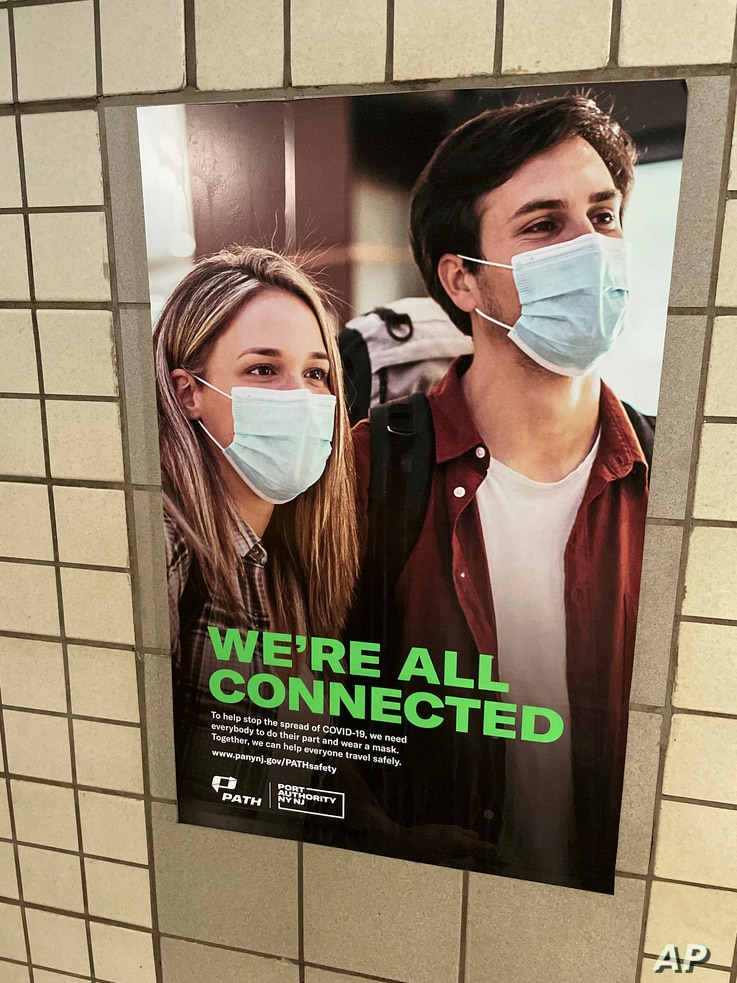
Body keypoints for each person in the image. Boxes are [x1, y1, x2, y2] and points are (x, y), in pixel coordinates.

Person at [347, 96, 650, 892]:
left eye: (603, 216)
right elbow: (280, 704)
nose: (590, 248)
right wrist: (372, 831)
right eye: (543, 225)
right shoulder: (368, 472)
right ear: (463, 280)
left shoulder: (674, 475)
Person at [154, 246, 359, 833]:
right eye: (263, 370)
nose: (301, 396)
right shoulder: (164, 545)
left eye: (316, 374)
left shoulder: (296, 561)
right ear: (189, 392)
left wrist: (385, 833)